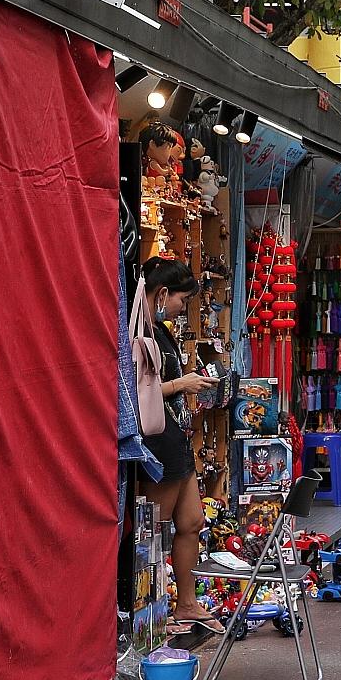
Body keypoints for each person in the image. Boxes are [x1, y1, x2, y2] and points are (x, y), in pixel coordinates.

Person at [137, 258, 221, 634]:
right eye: (181, 300)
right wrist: (182, 385)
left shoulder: (162, 330)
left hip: (178, 439)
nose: (182, 307)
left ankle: (186, 602)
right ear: (163, 293)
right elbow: (139, 394)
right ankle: (153, 611)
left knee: (191, 521)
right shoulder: (140, 332)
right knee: (156, 529)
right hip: (159, 441)